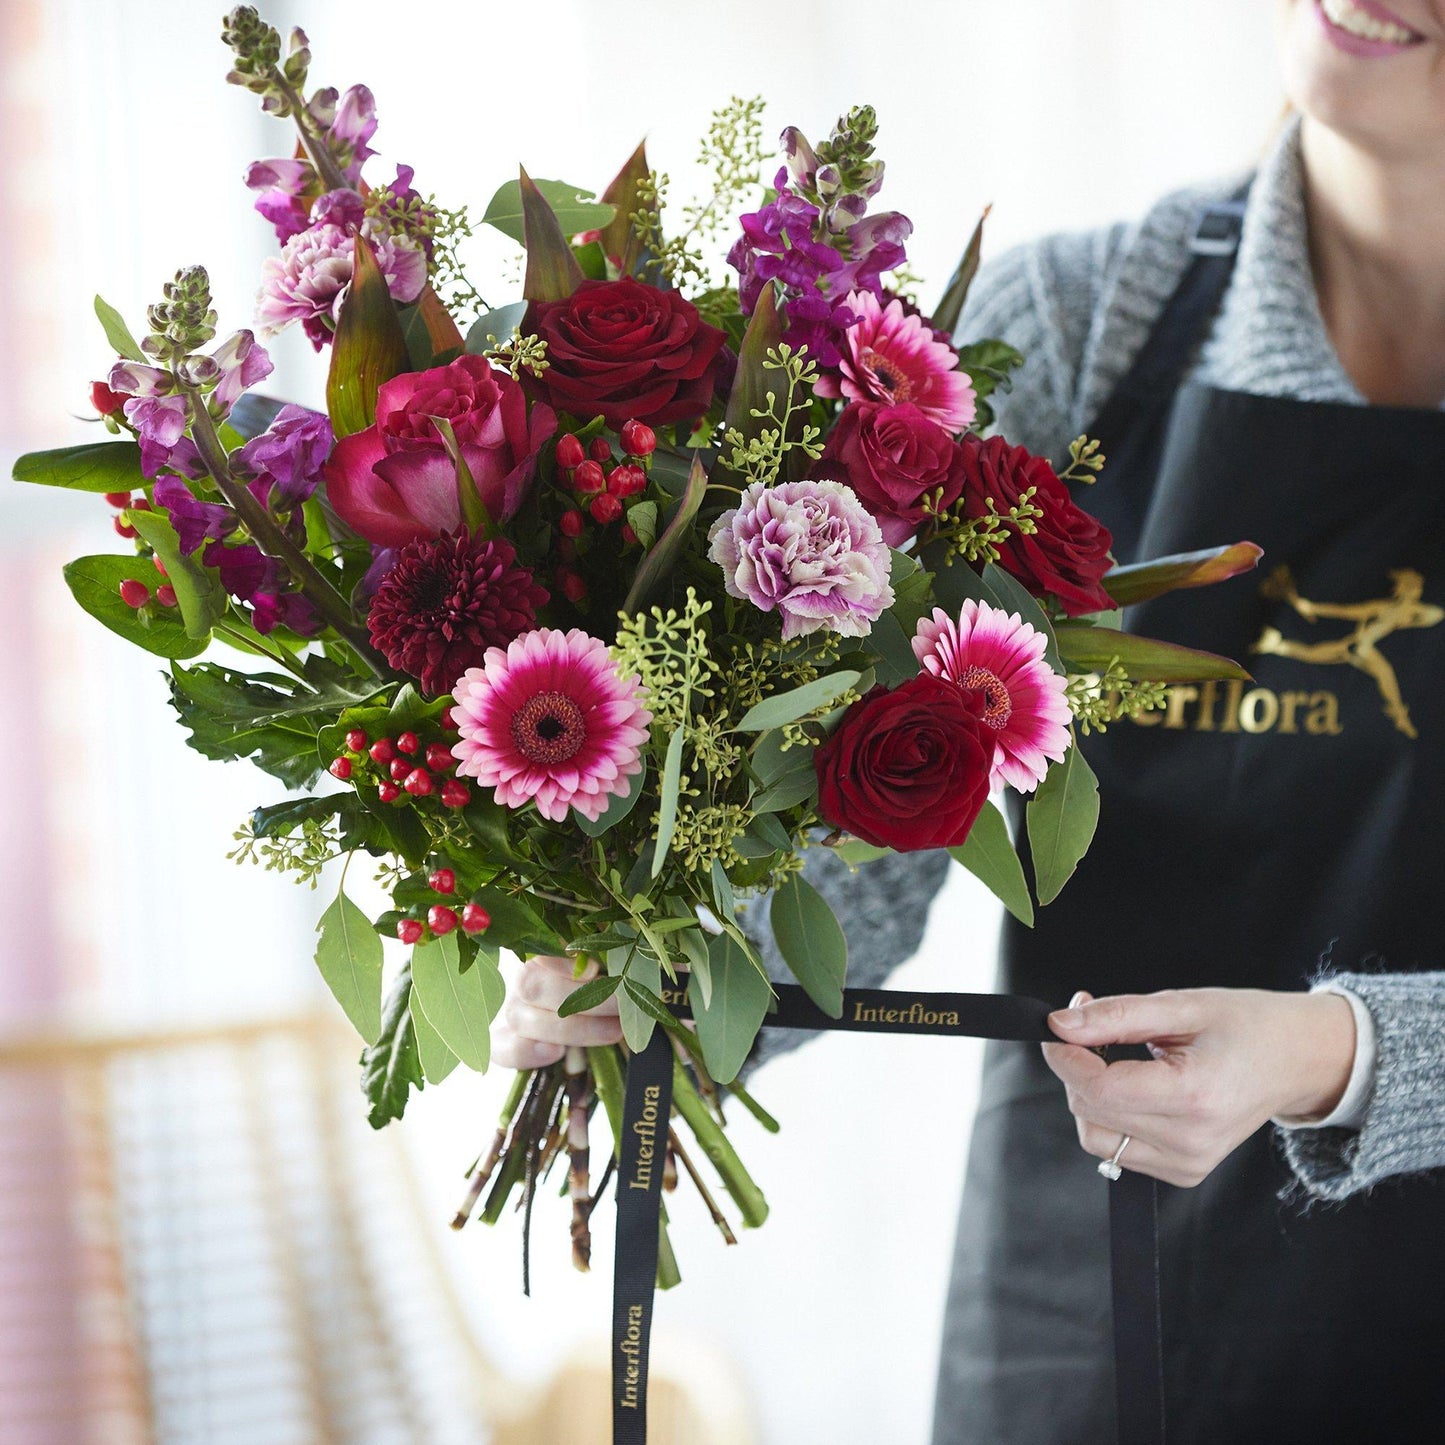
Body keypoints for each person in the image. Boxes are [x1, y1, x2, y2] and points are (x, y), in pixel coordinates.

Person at [495, 0, 1445, 1437]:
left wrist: (1335, 1055)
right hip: (1091, 1326)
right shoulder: (1079, 327)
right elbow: (858, 850)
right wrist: (657, 976)